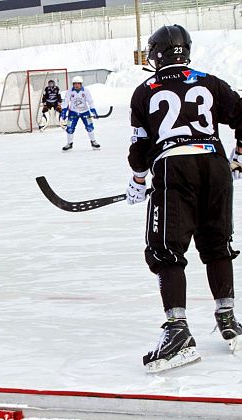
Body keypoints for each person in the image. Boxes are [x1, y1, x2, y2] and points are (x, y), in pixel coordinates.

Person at [126, 24, 242, 372]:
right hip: (215, 166)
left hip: (173, 169)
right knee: (216, 244)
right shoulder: (210, 81)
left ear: (157, 53)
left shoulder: (145, 90)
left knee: (165, 249)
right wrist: (239, 154)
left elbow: (141, 147)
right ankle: (229, 319)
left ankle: (177, 330)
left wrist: (137, 178)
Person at [60, 76, 100, 151]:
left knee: (89, 127)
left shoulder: (86, 91)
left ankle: (93, 141)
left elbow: (90, 102)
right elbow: (65, 102)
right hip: (73, 112)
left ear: (81, 84)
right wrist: (64, 111)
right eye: (75, 84)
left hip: (85, 112)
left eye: (78, 83)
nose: (76, 85)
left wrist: (93, 111)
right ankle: (69, 143)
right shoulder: (69, 91)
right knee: (70, 128)